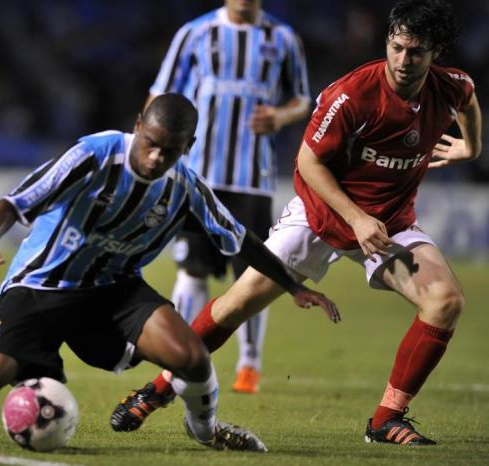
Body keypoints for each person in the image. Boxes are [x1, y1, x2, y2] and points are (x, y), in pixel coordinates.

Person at [110, 0, 482, 446]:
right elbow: (308, 162)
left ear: (435, 53)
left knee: (445, 301)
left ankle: (386, 419)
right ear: (387, 42)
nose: (403, 60)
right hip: (320, 216)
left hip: (389, 225)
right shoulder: (352, 94)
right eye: (397, 47)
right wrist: (356, 218)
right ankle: (158, 389)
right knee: (233, 307)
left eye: (416, 52)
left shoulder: (452, 86)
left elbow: (468, 101)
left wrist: (471, 147)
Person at [0, 93, 339, 452]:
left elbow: (240, 238)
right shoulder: (95, 155)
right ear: (138, 126)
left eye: (170, 151)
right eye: (151, 144)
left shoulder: (186, 187)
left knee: (191, 357)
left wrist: (291, 286)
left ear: (188, 147)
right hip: (43, 283)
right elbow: (15, 201)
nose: (157, 157)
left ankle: (206, 430)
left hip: (114, 290)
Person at [150, 0, 311, 396]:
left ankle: (249, 365)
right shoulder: (194, 33)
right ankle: (181, 355)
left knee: (252, 275)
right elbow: (160, 93)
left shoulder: (283, 38)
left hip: (251, 178)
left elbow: (302, 99)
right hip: (198, 175)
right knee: (192, 269)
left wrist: (280, 116)